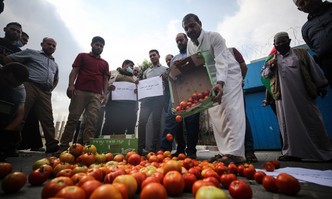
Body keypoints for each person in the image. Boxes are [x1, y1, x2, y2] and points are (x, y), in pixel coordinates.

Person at [182, 13, 246, 165]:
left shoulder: (214, 37)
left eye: (192, 25)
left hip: (228, 75)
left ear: (200, 23)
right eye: (186, 28)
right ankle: (225, 152)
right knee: (217, 115)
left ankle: (235, 154)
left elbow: (221, 61)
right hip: (210, 80)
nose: (189, 30)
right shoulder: (190, 45)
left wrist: (220, 83)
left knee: (231, 111)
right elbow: (196, 67)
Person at [261, 31, 332, 161]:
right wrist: (271, 67)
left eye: (283, 42)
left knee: (312, 120)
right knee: (287, 125)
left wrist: (321, 85)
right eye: (278, 43)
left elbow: (313, 69)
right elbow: (264, 74)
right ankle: (291, 153)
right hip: (282, 98)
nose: (281, 44)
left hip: (303, 94)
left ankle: (323, 152)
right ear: (274, 45)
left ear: (289, 41)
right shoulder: (272, 59)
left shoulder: (301, 53)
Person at [4, 37, 60, 154]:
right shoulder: (31, 53)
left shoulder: (55, 64)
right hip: (29, 86)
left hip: (45, 92)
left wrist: (50, 89)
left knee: (48, 119)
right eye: (48, 44)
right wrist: (15, 78)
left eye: (54, 46)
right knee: (21, 116)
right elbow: (10, 59)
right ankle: (10, 144)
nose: (51, 47)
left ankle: (52, 146)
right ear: (42, 44)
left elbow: (55, 79)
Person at [56, 36, 110, 154]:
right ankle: (63, 146)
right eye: (97, 45)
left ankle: (87, 149)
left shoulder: (105, 63)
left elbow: (105, 80)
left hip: (96, 95)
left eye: (101, 46)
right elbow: (74, 71)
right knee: (73, 119)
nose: (99, 47)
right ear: (92, 45)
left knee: (92, 121)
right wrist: (71, 85)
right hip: (80, 91)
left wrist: (104, 94)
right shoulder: (82, 56)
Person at [160, 33, 200, 159]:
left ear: (186, 40)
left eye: (181, 40)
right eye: (177, 41)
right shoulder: (174, 58)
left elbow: (200, 67)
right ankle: (166, 150)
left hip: (192, 91)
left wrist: (185, 63)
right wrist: (167, 75)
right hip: (177, 93)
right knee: (172, 122)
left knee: (192, 122)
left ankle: (191, 151)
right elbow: (172, 76)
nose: (179, 43)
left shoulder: (194, 52)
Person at [293, 0, 332, 87]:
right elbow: (313, 47)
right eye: (302, 3)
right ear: (300, 9)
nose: (307, 3)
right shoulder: (306, 29)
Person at [229, 47, 258, 163]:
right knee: (228, 121)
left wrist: (238, 81)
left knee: (241, 118)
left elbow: (243, 67)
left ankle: (249, 150)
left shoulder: (231, 51)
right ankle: (232, 152)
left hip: (235, 90)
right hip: (222, 93)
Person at [137, 49, 168, 155]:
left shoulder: (165, 69)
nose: (152, 57)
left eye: (154, 55)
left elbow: (170, 82)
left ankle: (153, 149)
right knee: (142, 123)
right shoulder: (146, 71)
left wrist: (166, 78)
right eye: (150, 56)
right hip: (147, 100)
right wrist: (138, 83)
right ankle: (140, 149)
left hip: (159, 99)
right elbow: (142, 83)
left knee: (156, 122)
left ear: (159, 56)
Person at [0, 62, 29, 161]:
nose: (8, 86)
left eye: (13, 85)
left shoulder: (19, 89)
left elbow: (19, 115)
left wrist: (5, 133)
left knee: (20, 122)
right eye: (7, 82)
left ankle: (8, 146)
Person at [101, 59, 138, 135]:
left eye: (133, 66)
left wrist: (136, 90)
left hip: (128, 107)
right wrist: (108, 87)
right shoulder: (112, 73)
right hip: (113, 105)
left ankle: (119, 145)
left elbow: (138, 91)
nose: (132, 68)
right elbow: (103, 83)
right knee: (109, 124)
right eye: (131, 66)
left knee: (121, 127)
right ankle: (105, 144)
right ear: (124, 65)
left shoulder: (134, 78)